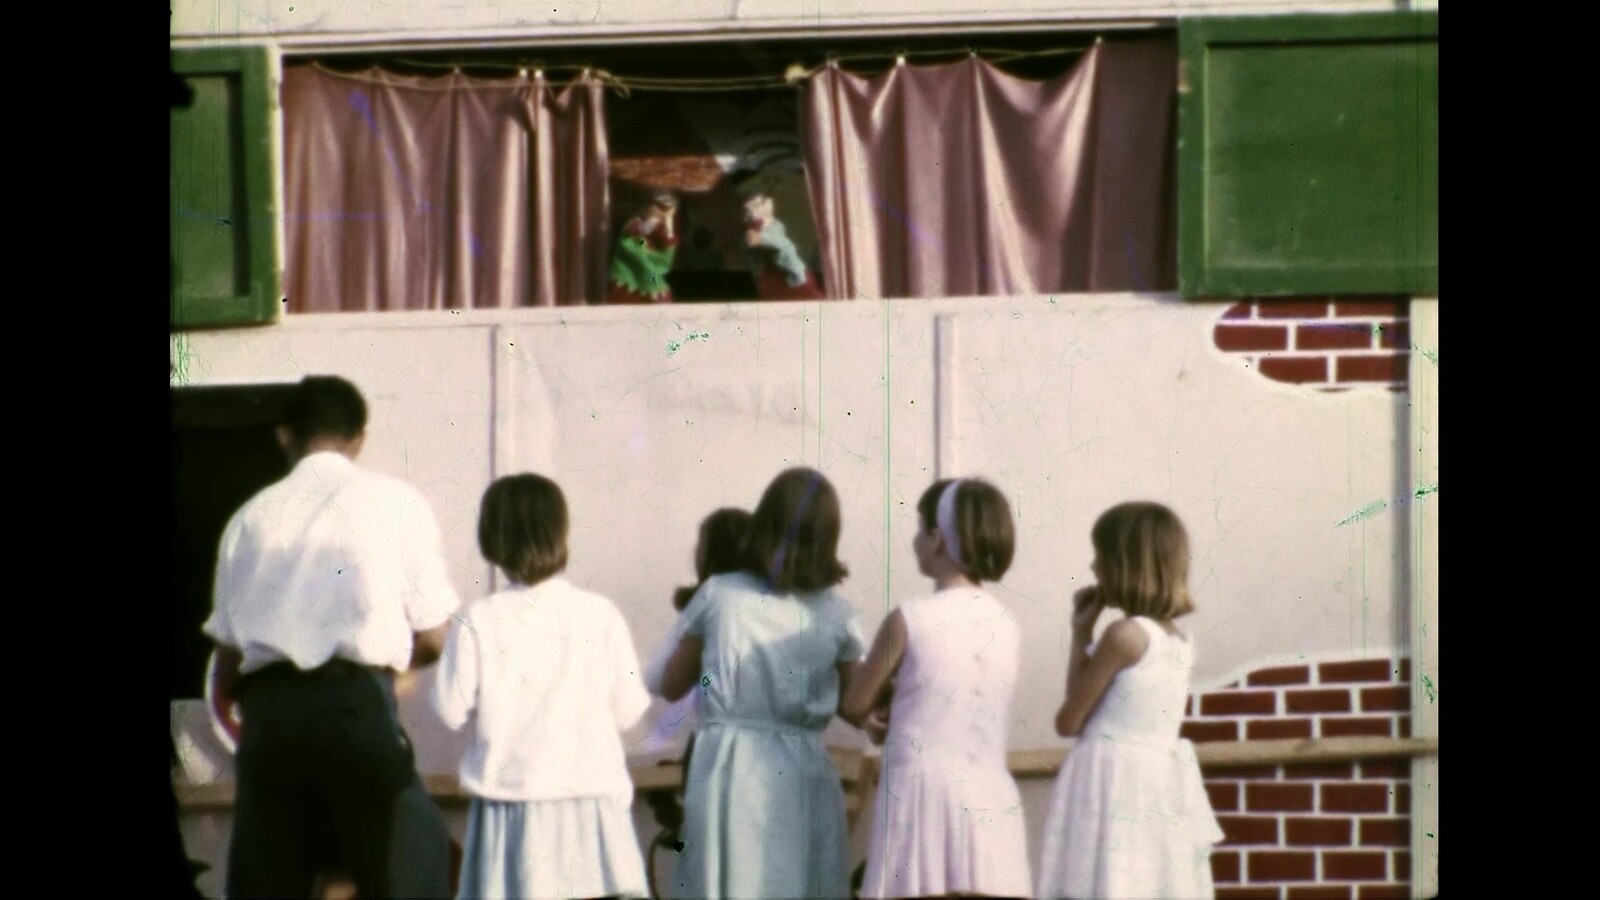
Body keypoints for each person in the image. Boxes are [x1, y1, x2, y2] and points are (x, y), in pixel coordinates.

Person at [202, 374, 459, 899]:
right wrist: (397, 675)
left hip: (272, 717)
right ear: (359, 438)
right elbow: (434, 636)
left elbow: (227, 654)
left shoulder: (247, 520)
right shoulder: (398, 502)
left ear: (284, 436)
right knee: (412, 857)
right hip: (356, 706)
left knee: (269, 883)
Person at [429, 473, 652, 899]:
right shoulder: (598, 614)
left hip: (512, 812)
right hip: (590, 809)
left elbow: (448, 709)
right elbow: (628, 711)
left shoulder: (480, 619)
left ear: (492, 538)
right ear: (560, 531)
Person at [647, 467, 866, 899]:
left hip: (730, 764)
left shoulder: (720, 596)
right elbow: (856, 703)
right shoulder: (839, 614)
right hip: (803, 767)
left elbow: (670, 684)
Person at [840, 477, 1033, 899]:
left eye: (920, 529)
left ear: (938, 539)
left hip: (922, 793)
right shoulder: (1006, 624)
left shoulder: (910, 618)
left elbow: (855, 703)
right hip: (989, 795)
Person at [1035, 502, 1225, 899]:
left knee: (1104, 881)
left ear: (1124, 564)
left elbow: (1069, 721)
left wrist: (1081, 638)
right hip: (1154, 786)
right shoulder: (1180, 641)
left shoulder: (1123, 635)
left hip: (1112, 782)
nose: (1093, 567)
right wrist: (1081, 631)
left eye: (1100, 556)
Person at [741, 192, 824, 300]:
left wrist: (762, 238)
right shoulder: (749, 235)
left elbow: (784, 245)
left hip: (794, 279)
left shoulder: (775, 228)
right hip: (774, 281)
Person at [608, 191, 680, 304]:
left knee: (655, 281)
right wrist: (652, 221)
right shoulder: (635, 223)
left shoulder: (661, 227)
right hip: (635, 261)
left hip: (652, 261)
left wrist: (668, 223)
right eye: (659, 207)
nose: (662, 212)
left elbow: (668, 245)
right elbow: (640, 236)